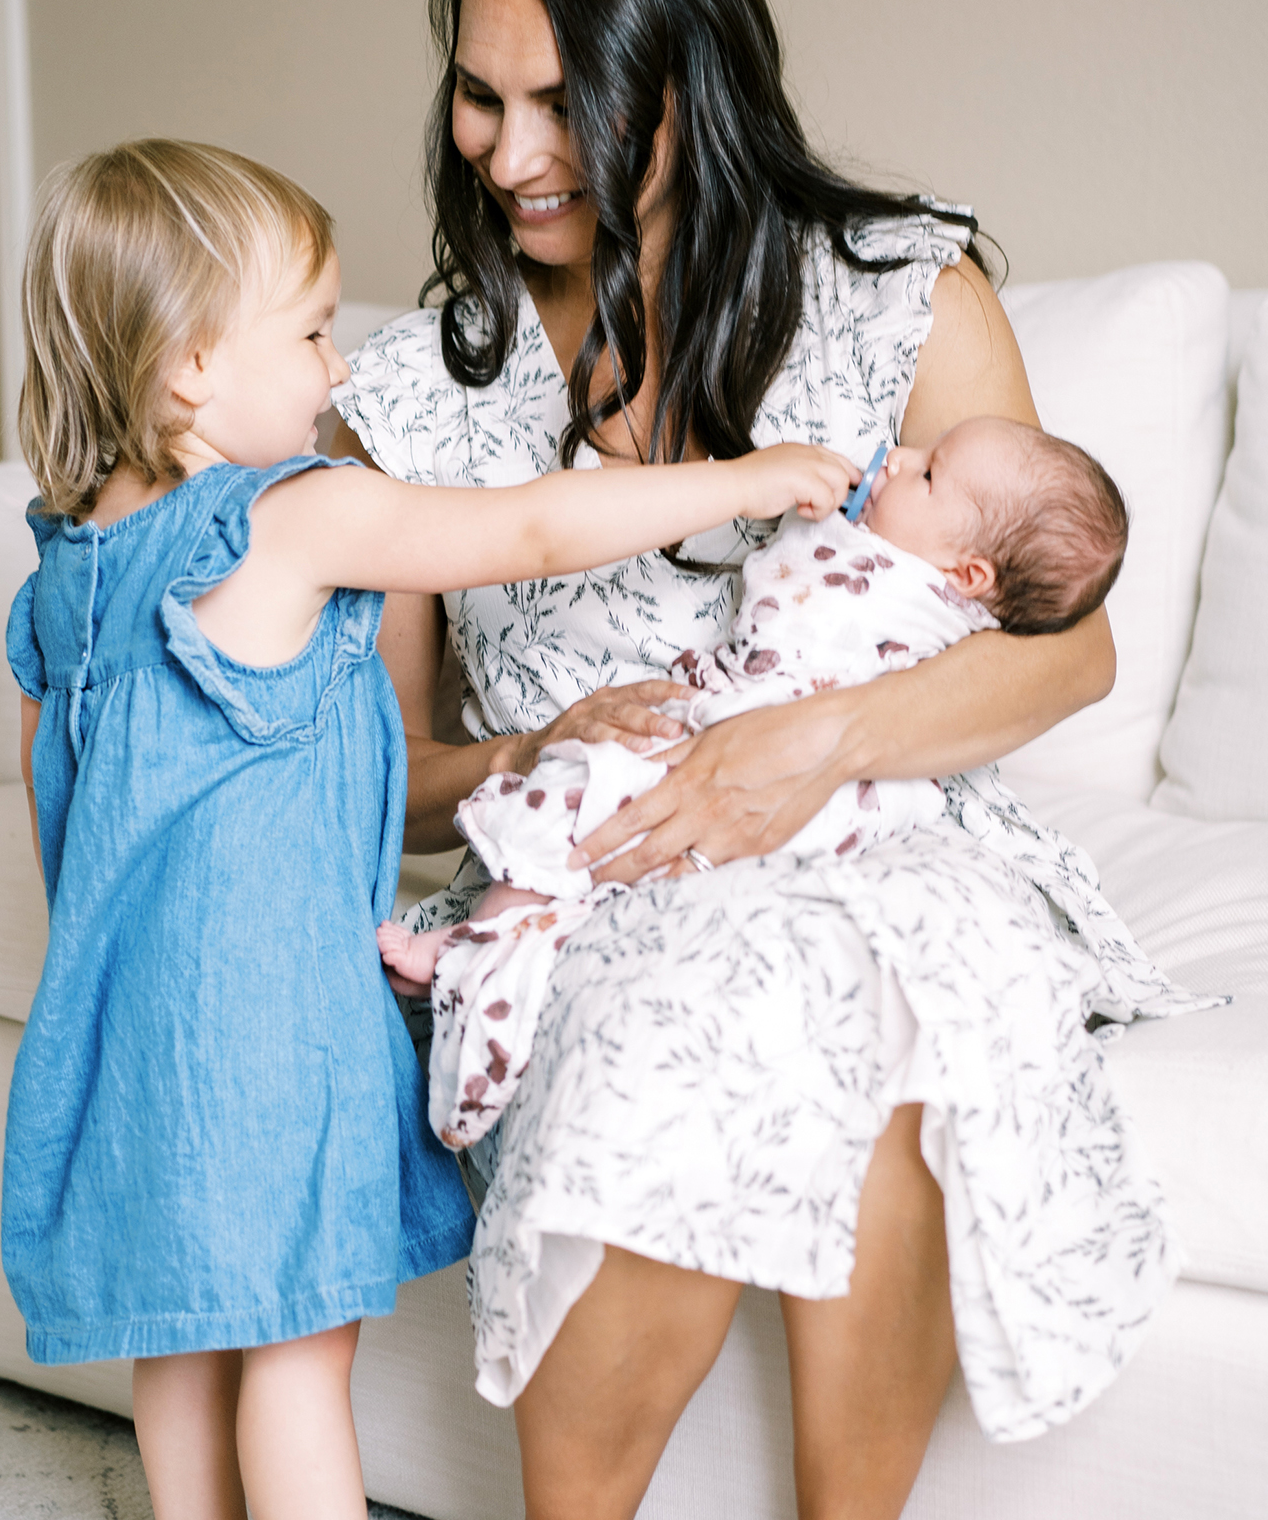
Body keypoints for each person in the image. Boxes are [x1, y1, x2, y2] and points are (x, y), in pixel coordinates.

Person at [328, 0, 1203, 1520]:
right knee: (704, 984)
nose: (509, 147)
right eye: (481, 94)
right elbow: (384, 782)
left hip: (870, 807)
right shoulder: (414, 396)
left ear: (688, 78)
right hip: (600, 847)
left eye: (566, 102)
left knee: (867, 991)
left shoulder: (901, 293)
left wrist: (809, 749)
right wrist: (540, 749)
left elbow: (1056, 662)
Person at [3, 137, 858, 1520]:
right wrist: (746, 482)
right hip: (261, 1002)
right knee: (294, 1332)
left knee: (187, 1311)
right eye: (313, 333)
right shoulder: (289, 517)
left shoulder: (69, 567)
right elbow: (529, 529)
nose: (341, 367)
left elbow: (55, 795)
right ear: (192, 370)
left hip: (114, 996)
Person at [378, 416, 1136, 1152]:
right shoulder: (402, 414)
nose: (899, 456)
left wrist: (819, 735)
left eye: (928, 471)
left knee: (624, 847)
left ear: (969, 576)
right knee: (598, 833)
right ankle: (492, 959)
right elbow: (388, 780)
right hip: (710, 744)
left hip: (830, 796)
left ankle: (487, 961)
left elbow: (1061, 655)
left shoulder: (918, 595)